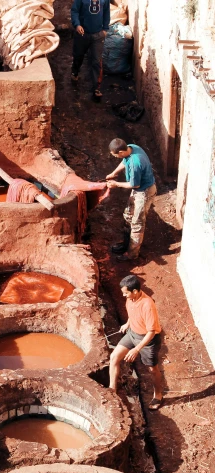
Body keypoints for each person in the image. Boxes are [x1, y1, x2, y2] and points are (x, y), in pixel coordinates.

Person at [109, 275, 163, 410]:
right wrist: (127, 323)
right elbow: (132, 313)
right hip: (132, 333)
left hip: (148, 340)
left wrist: (136, 349)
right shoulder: (131, 299)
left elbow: (151, 332)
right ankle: (112, 390)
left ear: (135, 291)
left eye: (125, 292)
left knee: (152, 369)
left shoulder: (147, 305)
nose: (123, 295)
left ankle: (158, 395)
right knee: (114, 357)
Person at [106, 138, 157, 261]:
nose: (114, 157)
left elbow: (135, 185)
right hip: (140, 190)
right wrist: (114, 173)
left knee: (137, 222)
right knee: (128, 215)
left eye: (114, 155)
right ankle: (126, 244)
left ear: (121, 152)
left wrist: (116, 184)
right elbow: (124, 161)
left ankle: (132, 254)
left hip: (144, 192)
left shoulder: (135, 163)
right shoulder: (131, 147)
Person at [71, 0, 110, 100]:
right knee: (78, 55)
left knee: (96, 61)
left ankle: (96, 88)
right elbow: (75, 11)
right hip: (82, 34)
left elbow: (106, 12)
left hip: (98, 36)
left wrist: (105, 29)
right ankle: (75, 72)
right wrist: (77, 25)